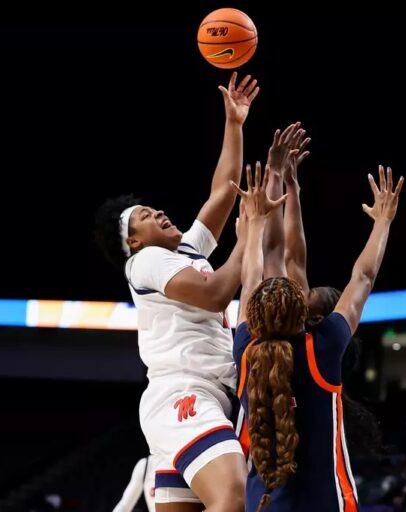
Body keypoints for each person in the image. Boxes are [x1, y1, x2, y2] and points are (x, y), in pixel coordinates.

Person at [94, 72, 259, 512]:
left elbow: (223, 193)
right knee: (231, 494)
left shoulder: (182, 250)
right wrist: (251, 236)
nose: (160, 212)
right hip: (185, 394)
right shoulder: (145, 262)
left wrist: (234, 124)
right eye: (146, 215)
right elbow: (216, 295)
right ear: (133, 239)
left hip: (198, 396)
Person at [233, 163, 403, 511]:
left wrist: (255, 225)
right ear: (306, 318)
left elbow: (250, 277)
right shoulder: (320, 349)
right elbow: (364, 276)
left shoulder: (247, 349)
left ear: (253, 317)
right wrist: (383, 222)